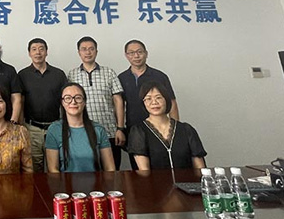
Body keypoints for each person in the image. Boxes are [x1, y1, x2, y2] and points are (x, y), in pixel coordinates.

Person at [117, 39, 179, 169]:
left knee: (164, 166)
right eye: (131, 53)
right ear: (126, 55)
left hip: (160, 129)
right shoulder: (121, 78)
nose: (136, 56)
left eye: (139, 52)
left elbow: (172, 103)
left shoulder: (159, 76)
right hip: (134, 130)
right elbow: (120, 105)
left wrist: (176, 129)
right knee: (139, 169)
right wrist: (120, 128)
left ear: (146, 53)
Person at [67, 36, 126, 169]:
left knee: (112, 172)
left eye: (91, 49)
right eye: (84, 49)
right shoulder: (72, 75)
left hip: (109, 131)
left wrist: (120, 128)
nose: (88, 52)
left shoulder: (109, 72)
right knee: (88, 172)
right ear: (79, 52)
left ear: (96, 51)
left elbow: (118, 101)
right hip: (82, 133)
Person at [127, 81, 206, 170]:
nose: (154, 102)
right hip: (155, 179)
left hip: (187, 179)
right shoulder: (138, 131)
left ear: (166, 100)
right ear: (143, 103)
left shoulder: (186, 129)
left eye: (158, 97)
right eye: (148, 99)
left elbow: (200, 168)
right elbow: (144, 171)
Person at [18, 38, 68, 171]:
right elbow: (20, 102)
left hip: (55, 127)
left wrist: (65, 124)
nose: (38, 52)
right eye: (34, 49)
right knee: (34, 168)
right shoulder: (22, 75)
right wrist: (21, 126)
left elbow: (65, 101)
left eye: (41, 49)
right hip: (32, 129)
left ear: (46, 52)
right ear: (29, 53)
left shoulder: (59, 74)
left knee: (56, 166)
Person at [45, 83, 115, 173]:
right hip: (65, 181)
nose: (73, 102)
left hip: (96, 181)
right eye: (67, 98)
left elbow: (110, 168)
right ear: (62, 103)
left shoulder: (98, 129)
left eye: (78, 98)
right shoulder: (54, 130)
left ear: (84, 102)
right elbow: (53, 169)